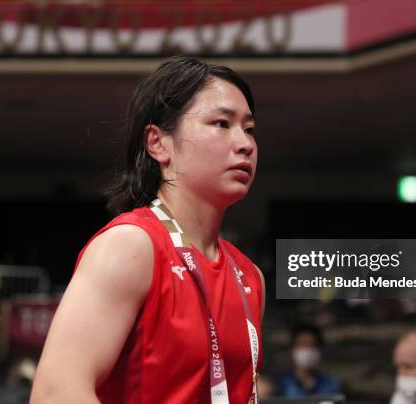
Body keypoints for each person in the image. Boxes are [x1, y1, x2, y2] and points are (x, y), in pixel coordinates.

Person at [30, 56, 265, 403]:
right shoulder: (131, 247)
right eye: (221, 123)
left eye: (249, 129)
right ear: (158, 143)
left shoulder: (250, 275)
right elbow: (55, 393)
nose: (245, 143)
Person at [276, 324, 342, 397]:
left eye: (312, 345)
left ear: (320, 350)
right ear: (292, 349)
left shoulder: (332, 386)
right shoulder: (280, 385)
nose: (307, 350)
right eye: (302, 344)